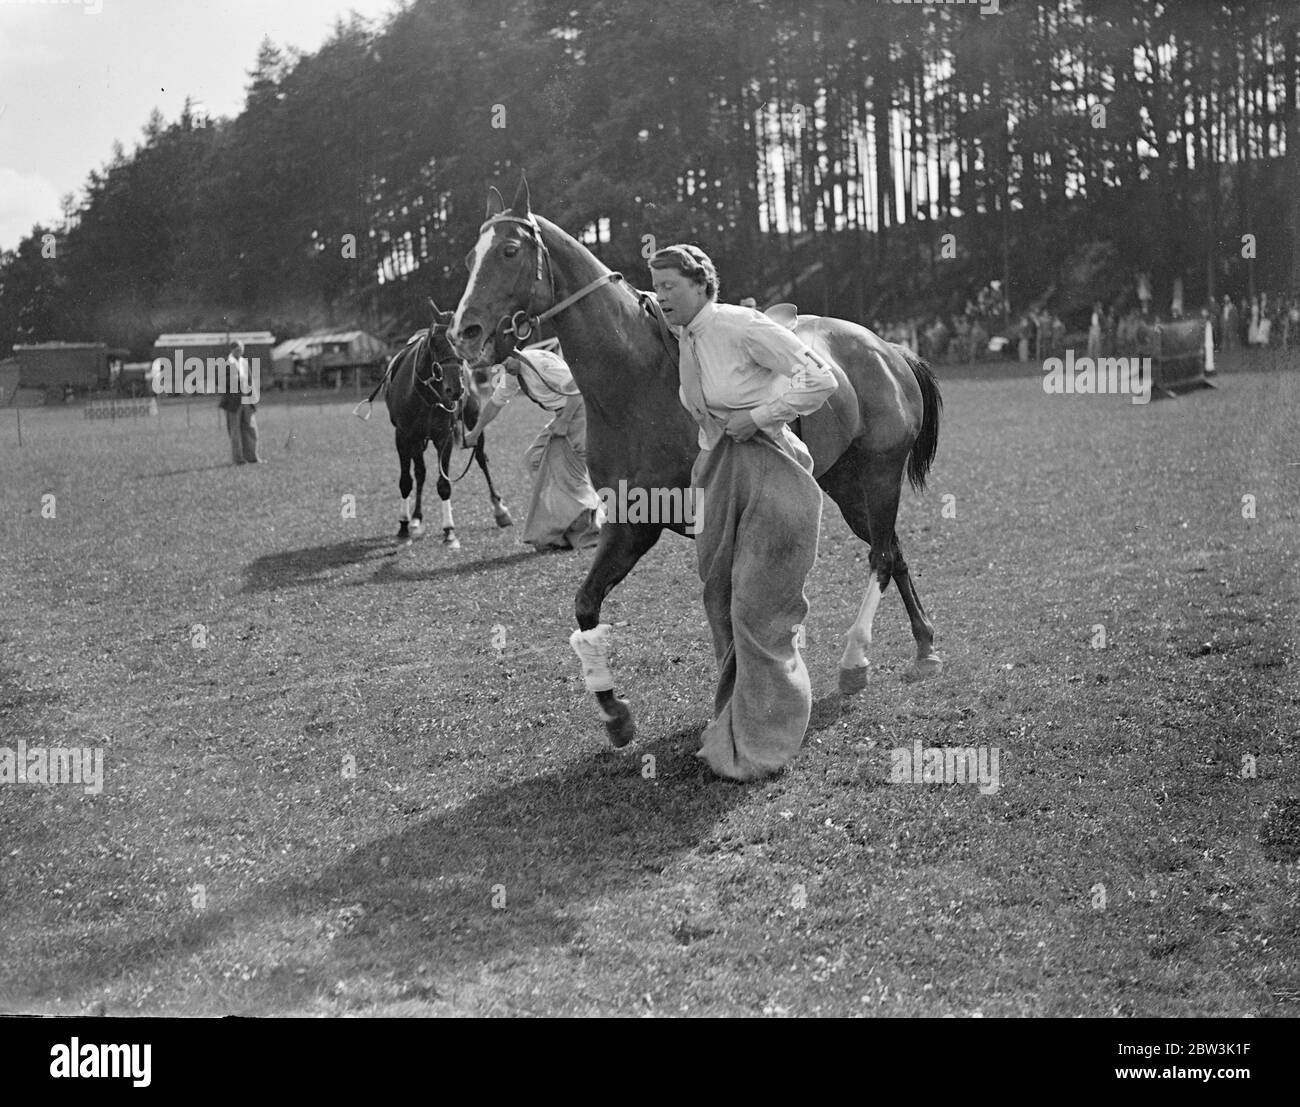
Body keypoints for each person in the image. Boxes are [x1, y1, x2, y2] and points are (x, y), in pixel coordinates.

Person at [649, 243, 837, 782]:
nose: (661, 297)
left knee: (760, 605)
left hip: (771, 468)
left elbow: (820, 378)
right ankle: (738, 719)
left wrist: (759, 415)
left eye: (670, 287)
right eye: (656, 286)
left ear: (702, 285)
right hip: (716, 473)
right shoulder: (685, 335)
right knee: (720, 596)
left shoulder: (742, 325)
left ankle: (766, 738)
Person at [464, 341, 600, 551]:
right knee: (534, 460)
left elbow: (578, 389)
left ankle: (589, 530)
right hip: (562, 415)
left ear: (515, 352)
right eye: (500, 365)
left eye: (505, 361)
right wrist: (475, 432)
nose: (505, 367)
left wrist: (564, 422)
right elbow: (495, 403)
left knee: (571, 472)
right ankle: (566, 521)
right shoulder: (512, 372)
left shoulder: (540, 364)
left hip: (578, 411)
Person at [219, 340, 262, 464]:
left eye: (241, 349)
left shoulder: (244, 362)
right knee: (235, 431)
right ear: (232, 350)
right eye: (237, 349)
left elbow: (250, 381)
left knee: (251, 428)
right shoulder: (226, 363)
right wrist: (234, 380)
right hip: (233, 401)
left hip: (247, 399)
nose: (240, 351)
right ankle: (238, 459)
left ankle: (253, 457)